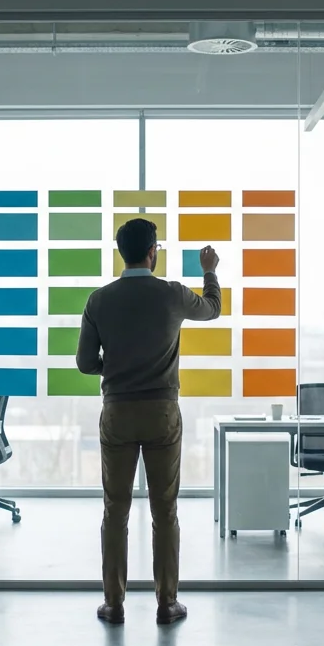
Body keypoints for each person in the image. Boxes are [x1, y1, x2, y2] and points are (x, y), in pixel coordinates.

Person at [77, 217, 221, 625]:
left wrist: (116, 367)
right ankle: (166, 602)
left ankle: (114, 603)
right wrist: (209, 271)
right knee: (165, 510)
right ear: (152, 252)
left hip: (118, 412)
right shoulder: (172, 295)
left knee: (115, 510)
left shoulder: (99, 300)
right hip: (161, 413)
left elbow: (86, 363)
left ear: (122, 253)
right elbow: (212, 310)